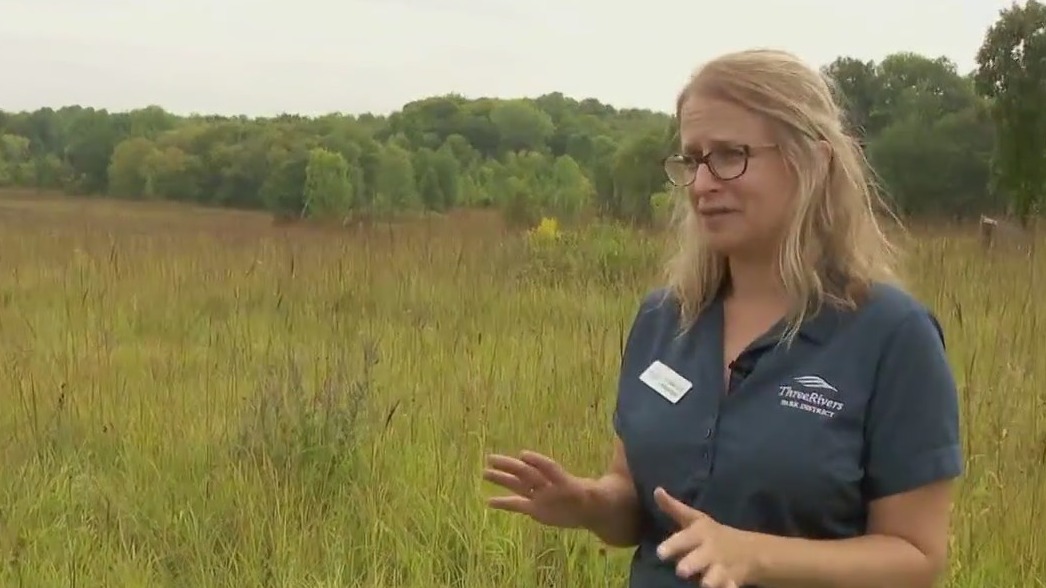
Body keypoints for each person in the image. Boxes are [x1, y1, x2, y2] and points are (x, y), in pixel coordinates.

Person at [482, 48, 964, 588]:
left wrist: (755, 555)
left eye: (731, 155)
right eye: (692, 159)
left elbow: (917, 557)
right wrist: (592, 503)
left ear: (814, 161)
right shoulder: (665, 320)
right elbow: (635, 504)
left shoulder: (891, 336)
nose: (703, 183)